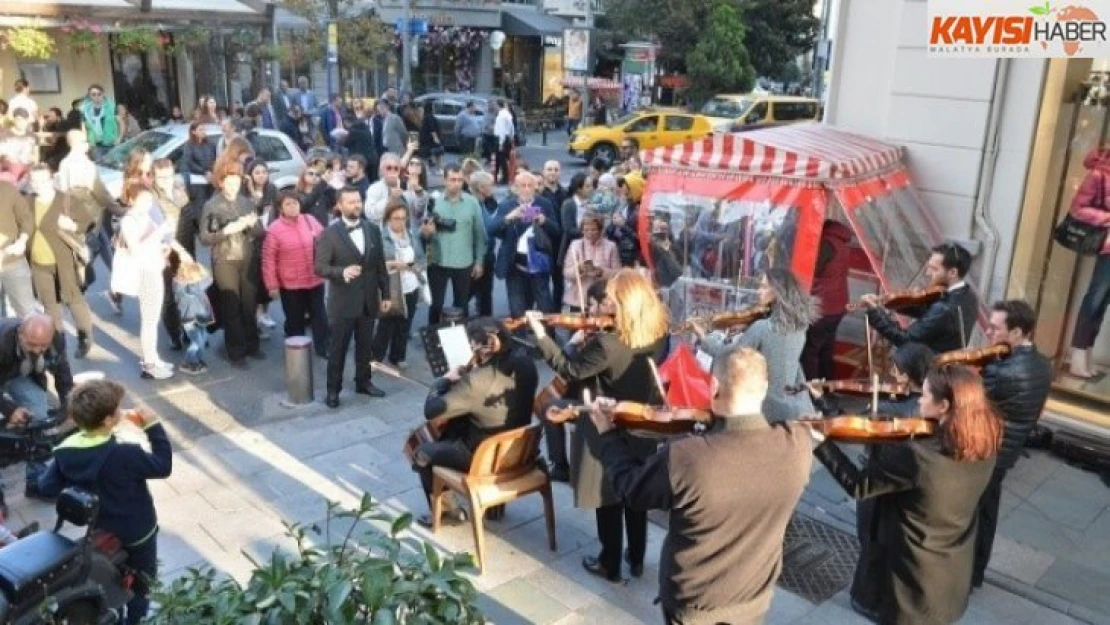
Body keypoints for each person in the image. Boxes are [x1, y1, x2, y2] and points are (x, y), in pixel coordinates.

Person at [587, 347, 812, 623]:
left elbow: (630, 489)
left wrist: (608, 436)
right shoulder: (798, 447)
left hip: (694, 606)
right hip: (754, 601)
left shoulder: (688, 457)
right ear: (764, 388)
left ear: (714, 385)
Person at [812, 365, 1002, 625]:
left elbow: (859, 485)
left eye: (924, 395)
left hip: (910, 580)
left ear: (944, 406)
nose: (919, 400)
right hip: (951, 574)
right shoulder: (986, 441)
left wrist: (820, 443)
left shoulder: (917, 456)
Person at [526, 269, 668, 582]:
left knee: (609, 498)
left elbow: (569, 369)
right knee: (636, 495)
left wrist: (541, 335)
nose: (605, 303)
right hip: (641, 422)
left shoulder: (608, 342)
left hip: (609, 424)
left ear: (625, 303)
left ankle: (610, 563)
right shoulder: (657, 331)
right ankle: (637, 558)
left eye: (611, 299)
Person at [805, 342, 934, 620]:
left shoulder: (890, 410)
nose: (889, 375)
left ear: (904, 376)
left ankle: (866, 599)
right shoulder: (925, 407)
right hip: (904, 493)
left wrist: (821, 399)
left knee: (871, 543)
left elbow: (847, 425)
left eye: (894, 369)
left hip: (879, 485)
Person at [38, 380, 172, 625]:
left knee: (112, 575)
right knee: (142, 581)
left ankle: (113, 609)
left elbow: (46, 486)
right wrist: (153, 426)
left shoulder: (66, 451)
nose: (121, 412)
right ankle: (136, 619)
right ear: (109, 420)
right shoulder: (126, 454)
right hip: (138, 532)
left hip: (102, 529)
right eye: (118, 409)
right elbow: (163, 466)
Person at [414, 317, 538, 527]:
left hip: (483, 459)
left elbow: (431, 411)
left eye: (471, 343)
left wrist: (445, 379)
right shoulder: (526, 365)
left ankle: (447, 512)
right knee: (462, 424)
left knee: (421, 451)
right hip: (517, 452)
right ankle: (495, 508)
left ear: (482, 346)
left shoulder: (476, 381)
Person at [972, 300, 1053, 588]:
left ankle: (968, 575)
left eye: (995, 328)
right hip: (1008, 450)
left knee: (973, 514)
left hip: (987, 449)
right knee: (988, 511)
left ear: (1017, 332)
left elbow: (972, 407)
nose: (988, 332)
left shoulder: (1001, 370)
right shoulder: (1043, 365)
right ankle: (976, 572)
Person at [695, 268, 817, 422]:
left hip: (766, 404)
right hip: (792, 401)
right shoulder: (799, 327)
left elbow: (731, 355)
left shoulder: (763, 328)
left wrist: (706, 339)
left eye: (764, 287)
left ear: (776, 292)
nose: (759, 291)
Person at [315, 186, 391, 408]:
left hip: (368, 299)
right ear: (339, 205)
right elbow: (319, 267)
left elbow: (380, 266)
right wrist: (341, 272)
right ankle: (333, 390)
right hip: (342, 302)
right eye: (350, 202)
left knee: (365, 346)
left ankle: (364, 382)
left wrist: (385, 293)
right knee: (338, 349)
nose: (356, 205)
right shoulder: (329, 234)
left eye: (358, 201)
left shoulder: (372, 229)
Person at [0, 314, 73, 501]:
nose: (38, 350)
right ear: (20, 334)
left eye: (43, 345)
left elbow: (62, 370)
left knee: (38, 415)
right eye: (32, 344)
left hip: (18, 372)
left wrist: (69, 401)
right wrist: (9, 409)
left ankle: (36, 481)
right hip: (5, 363)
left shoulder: (55, 339)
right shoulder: (2, 342)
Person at [199, 160, 264, 368]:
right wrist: (227, 230)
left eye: (237, 179)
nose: (234, 184)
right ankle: (236, 351)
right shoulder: (212, 204)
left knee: (249, 303)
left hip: (247, 256)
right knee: (231, 305)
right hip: (224, 259)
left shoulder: (246, 202)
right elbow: (204, 237)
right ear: (221, 181)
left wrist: (252, 225)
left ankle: (252, 345)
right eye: (230, 180)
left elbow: (260, 232)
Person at [862, 242, 979, 355]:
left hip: (926, 367)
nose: (928, 273)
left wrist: (875, 312)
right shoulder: (968, 295)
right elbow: (929, 315)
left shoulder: (944, 308)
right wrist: (893, 301)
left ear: (953, 272)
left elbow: (905, 339)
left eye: (934, 269)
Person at [27, 165, 94, 358]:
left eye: (42, 180)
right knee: (50, 305)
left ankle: (85, 335)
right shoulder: (28, 201)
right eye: (33, 180)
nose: (37, 185)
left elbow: (87, 222)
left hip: (63, 262)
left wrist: (73, 225)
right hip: (39, 263)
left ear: (51, 180)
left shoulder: (66, 200)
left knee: (72, 299)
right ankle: (57, 346)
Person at [119, 182, 177, 379]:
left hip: (154, 268)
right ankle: (149, 363)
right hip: (144, 272)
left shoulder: (144, 216)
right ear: (132, 200)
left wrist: (163, 246)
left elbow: (151, 243)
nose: (147, 203)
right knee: (150, 319)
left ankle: (153, 358)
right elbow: (136, 249)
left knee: (153, 318)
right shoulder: (130, 220)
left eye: (149, 200)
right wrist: (160, 232)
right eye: (143, 200)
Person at [262, 191, 329, 360]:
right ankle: (297, 354)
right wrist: (272, 285)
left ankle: (323, 347)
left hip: (314, 279)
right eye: (288, 204)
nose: (293, 207)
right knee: (295, 319)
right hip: (291, 284)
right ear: (280, 208)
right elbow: (268, 259)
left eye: (295, 203)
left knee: (319, 315)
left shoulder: (309, 220)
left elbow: (327, 241)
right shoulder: (275, 229)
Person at [419, 164, 488, 325]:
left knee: (462, 304)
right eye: (452, 180)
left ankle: (460, 340)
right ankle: (434, 338)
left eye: (459, 180)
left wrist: (479, 262)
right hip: (437, 261)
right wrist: (427, 232)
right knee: (436, 304)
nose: (456, 183)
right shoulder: (433, 201)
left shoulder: (472, 202)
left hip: (463, 262)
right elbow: (423, 232)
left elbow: (480, 235)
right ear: (444, 180)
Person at [491, 171, 561, 319]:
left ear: (536, 187)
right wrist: (509, 217)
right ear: (515, 188)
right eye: (523, 186)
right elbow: (492, 229)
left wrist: (544, 221)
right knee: (517, 311)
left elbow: (557, 231)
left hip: (539, 265)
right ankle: (519, 340)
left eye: (530, 185)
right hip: (515, 266)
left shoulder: (544, 204)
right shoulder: (506, 205)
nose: (527, 189)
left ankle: (549, 339)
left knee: (545, 308)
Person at [1066, 147, 1110, 378]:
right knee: (1094, 300)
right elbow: (1078, 208)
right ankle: (1078, 355)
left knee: (1101, 304)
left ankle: (1086, 354)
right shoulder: (1099, 173)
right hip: (1108, 247)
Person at [371, 201, 423, 368]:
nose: (400, 222)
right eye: (395, 218)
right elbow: (375, 264)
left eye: (403, 218)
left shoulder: (412, 234)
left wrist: (417, 267)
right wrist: (393, 264)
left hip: (411, 285)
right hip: (392, 286)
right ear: (388, 219)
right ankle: (376, 357)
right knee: (387, 323)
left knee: (405, 323)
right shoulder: (381, 237)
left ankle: (398, 356)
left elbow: (421, 257)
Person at [802, 219, 853, 381]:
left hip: (824, 306)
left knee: (810, 350)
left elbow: (813, 269)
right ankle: (827, 387)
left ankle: (811, 392)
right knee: (826, 348)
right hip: (838, 305)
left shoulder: (826, 243)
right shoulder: (842, 243)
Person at [151, 158, 191, 351]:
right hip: (164, 251)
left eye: (168, 176)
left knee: (187, 291)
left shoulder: (179, 187)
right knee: (168, 296)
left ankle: (188, 329)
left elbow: (188, 214)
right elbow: (160, 230)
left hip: (184, 243)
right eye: (161, 178)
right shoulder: (151, 197)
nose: (165, 181)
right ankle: (175, 335)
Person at [243, 159, 278, 331]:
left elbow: (276, 213)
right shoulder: (244, 192)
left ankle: (264, 313)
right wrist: (251, 190)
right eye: (257, 172)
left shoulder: (272, 189)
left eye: (264, 172)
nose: (261, 176)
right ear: (250, 175)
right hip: (251, 239)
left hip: (269, 237)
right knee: (255, 278)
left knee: (268, 277)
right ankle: (256, 315)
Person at [563, 212, 618, 312]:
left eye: (593, 230)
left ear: (600, 230)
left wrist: (601, 272)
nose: (589, 233)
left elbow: (617, 273)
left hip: (602, 299)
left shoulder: (611, 246)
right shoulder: (575, 245)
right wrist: (579, 269)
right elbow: (566, 272)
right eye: (586, 230)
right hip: (579, 298)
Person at [178, 122, 217, 257]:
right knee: (200, 208)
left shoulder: (210, 144)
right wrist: (204, 171)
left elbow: (214, 159)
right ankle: (203, 232)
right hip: (197, 181)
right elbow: (189, 163)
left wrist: (212, 171)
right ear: (193, 131)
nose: (204, 131)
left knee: (211, 205)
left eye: (204, 128)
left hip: (210, 180)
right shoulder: (189, 145)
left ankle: (212, 230)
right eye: (201, 129)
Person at [0, 179, 37, 318]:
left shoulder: (7, 189)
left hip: (13, 262)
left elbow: (26, 218)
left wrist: (22, 241)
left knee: (27, 313)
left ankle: (32, 338)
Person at [173, 260, 212, 375]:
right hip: (190, 320)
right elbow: (209, 279)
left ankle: (198, 360)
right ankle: (188, 362)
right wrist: (201, 268)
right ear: (189, 277)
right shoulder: (189, 288)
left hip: (200, 318)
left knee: (202, 339)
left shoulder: (187, 285)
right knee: (197, 342)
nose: (200, 277)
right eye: (197, 276)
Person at [469, 170, 498, 317]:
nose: (493, 188)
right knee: (471, 294)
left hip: (486, 257)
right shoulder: (473, 205)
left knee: (485, 295)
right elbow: (486, 230)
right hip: (476, 258)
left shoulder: (482, 203)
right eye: (490, 185)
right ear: (481, 188)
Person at [80, 85, 118, 158]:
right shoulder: (85, 110)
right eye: (93, 94)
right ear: (90, 96)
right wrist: (85, 142)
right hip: (95, 145)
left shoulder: (111, 107)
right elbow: (83, 127)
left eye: (99, 94)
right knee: (100, 165)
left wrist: (119, 138)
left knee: (113, 165)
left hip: (111, 143)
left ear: (103, 94)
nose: (96, 97)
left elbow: (121, 122)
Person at [493, 99, 515, 185]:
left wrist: (501, 143)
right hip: (507, 138)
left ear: (498, 105)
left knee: (501, 159)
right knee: (500, 159)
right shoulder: (507, 115)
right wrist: (511, 136)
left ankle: (504, 177)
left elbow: (501, 130)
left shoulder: (501, 116)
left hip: (501, 138)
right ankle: (498, 176)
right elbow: (511, 127)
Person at [418, 100, 443, 170]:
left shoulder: (425, 117)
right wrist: (437, 139)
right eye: (434, 107)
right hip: (429, 142)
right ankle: (440, 168)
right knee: (439, 152)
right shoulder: (430, 117)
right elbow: (432, 129)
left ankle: (431, 166)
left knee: (427, 157)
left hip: (425, 141)